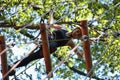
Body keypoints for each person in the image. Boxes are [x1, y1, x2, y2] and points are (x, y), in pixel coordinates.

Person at [6, 24, 83, 76]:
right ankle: (11, 66)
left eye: (78, 35)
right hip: (46, 39)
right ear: (75, 29)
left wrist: (85, 42)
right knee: (47, 33)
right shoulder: (64, 28)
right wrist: (51, 13)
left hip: (49, 48)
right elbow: (51, 23)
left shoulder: (70, 42)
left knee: (30, 58)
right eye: (77, 31)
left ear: (77, 37)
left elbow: (80, 55)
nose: (76, 33)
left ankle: (12, 67)